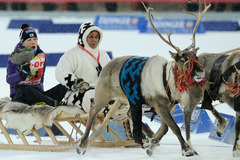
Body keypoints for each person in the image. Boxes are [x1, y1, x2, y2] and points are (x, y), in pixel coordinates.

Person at [6, 23, 67, 107]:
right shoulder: (16, 56)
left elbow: (41, 79)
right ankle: (52, 104)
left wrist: (40, 95)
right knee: (25, 88)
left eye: (35, 39)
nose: (33, 42)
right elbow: (9, 79)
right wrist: (21, 75)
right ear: (22, 42)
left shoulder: (41, 55)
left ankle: (46, 102)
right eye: (29, 40)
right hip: (20, 98)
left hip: (38, 96)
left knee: (64, 86)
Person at [55, 22, 111, 112]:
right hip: (78, 93)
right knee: (90, 96)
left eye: (96, 37)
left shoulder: (103, 54)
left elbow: (111, 74)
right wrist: (76, 83)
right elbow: (61, 71)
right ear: (84, 38)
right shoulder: (73, 53)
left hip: (99, 91)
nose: (94, 40)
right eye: (91, 37)